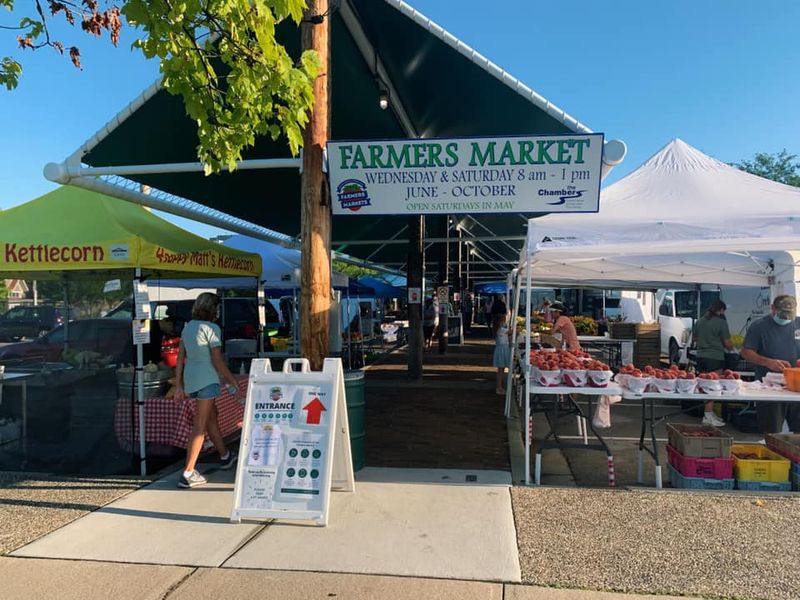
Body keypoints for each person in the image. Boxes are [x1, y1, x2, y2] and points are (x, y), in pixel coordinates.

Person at [174, 292, 239, 488]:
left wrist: (178, 385)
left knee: (212, 415)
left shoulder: (188, 328)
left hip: (191, 377)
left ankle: (225, 455)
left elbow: (180, 359)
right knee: (199, 426)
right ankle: (188, 472)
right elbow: (217, 361)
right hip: (207, 378)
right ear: (213, 309)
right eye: (217, 308)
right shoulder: (212, 328)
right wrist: (232, 380)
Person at [741, 295, 800, 435]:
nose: (785, 319)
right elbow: (746, 352)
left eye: (788, 316)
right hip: (769, 389)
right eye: (782, 315)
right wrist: (768, 362)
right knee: (771, 432)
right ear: (772, 308)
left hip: (796, 387)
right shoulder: (758, 326)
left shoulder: (798, 324)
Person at [693, 300, 733, 427]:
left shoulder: (700, 321)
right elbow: (727, 343)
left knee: (705, 386)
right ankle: (708, 414)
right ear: (720, 310)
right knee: (713, 386)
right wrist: (733, 349)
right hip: (715, 357)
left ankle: (708, 413)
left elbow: (695, 339)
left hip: (700, 356)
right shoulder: (721, 322)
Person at [493, 312, 511, 395]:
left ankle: (499, 386)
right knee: (501, 370)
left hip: (501, 349)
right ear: (500, 322)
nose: (505, 322)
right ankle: (499, 387)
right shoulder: (502, 330)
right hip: (502, 350)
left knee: (501, 370)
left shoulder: (498, 329)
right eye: (504, 321)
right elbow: (513, 332)